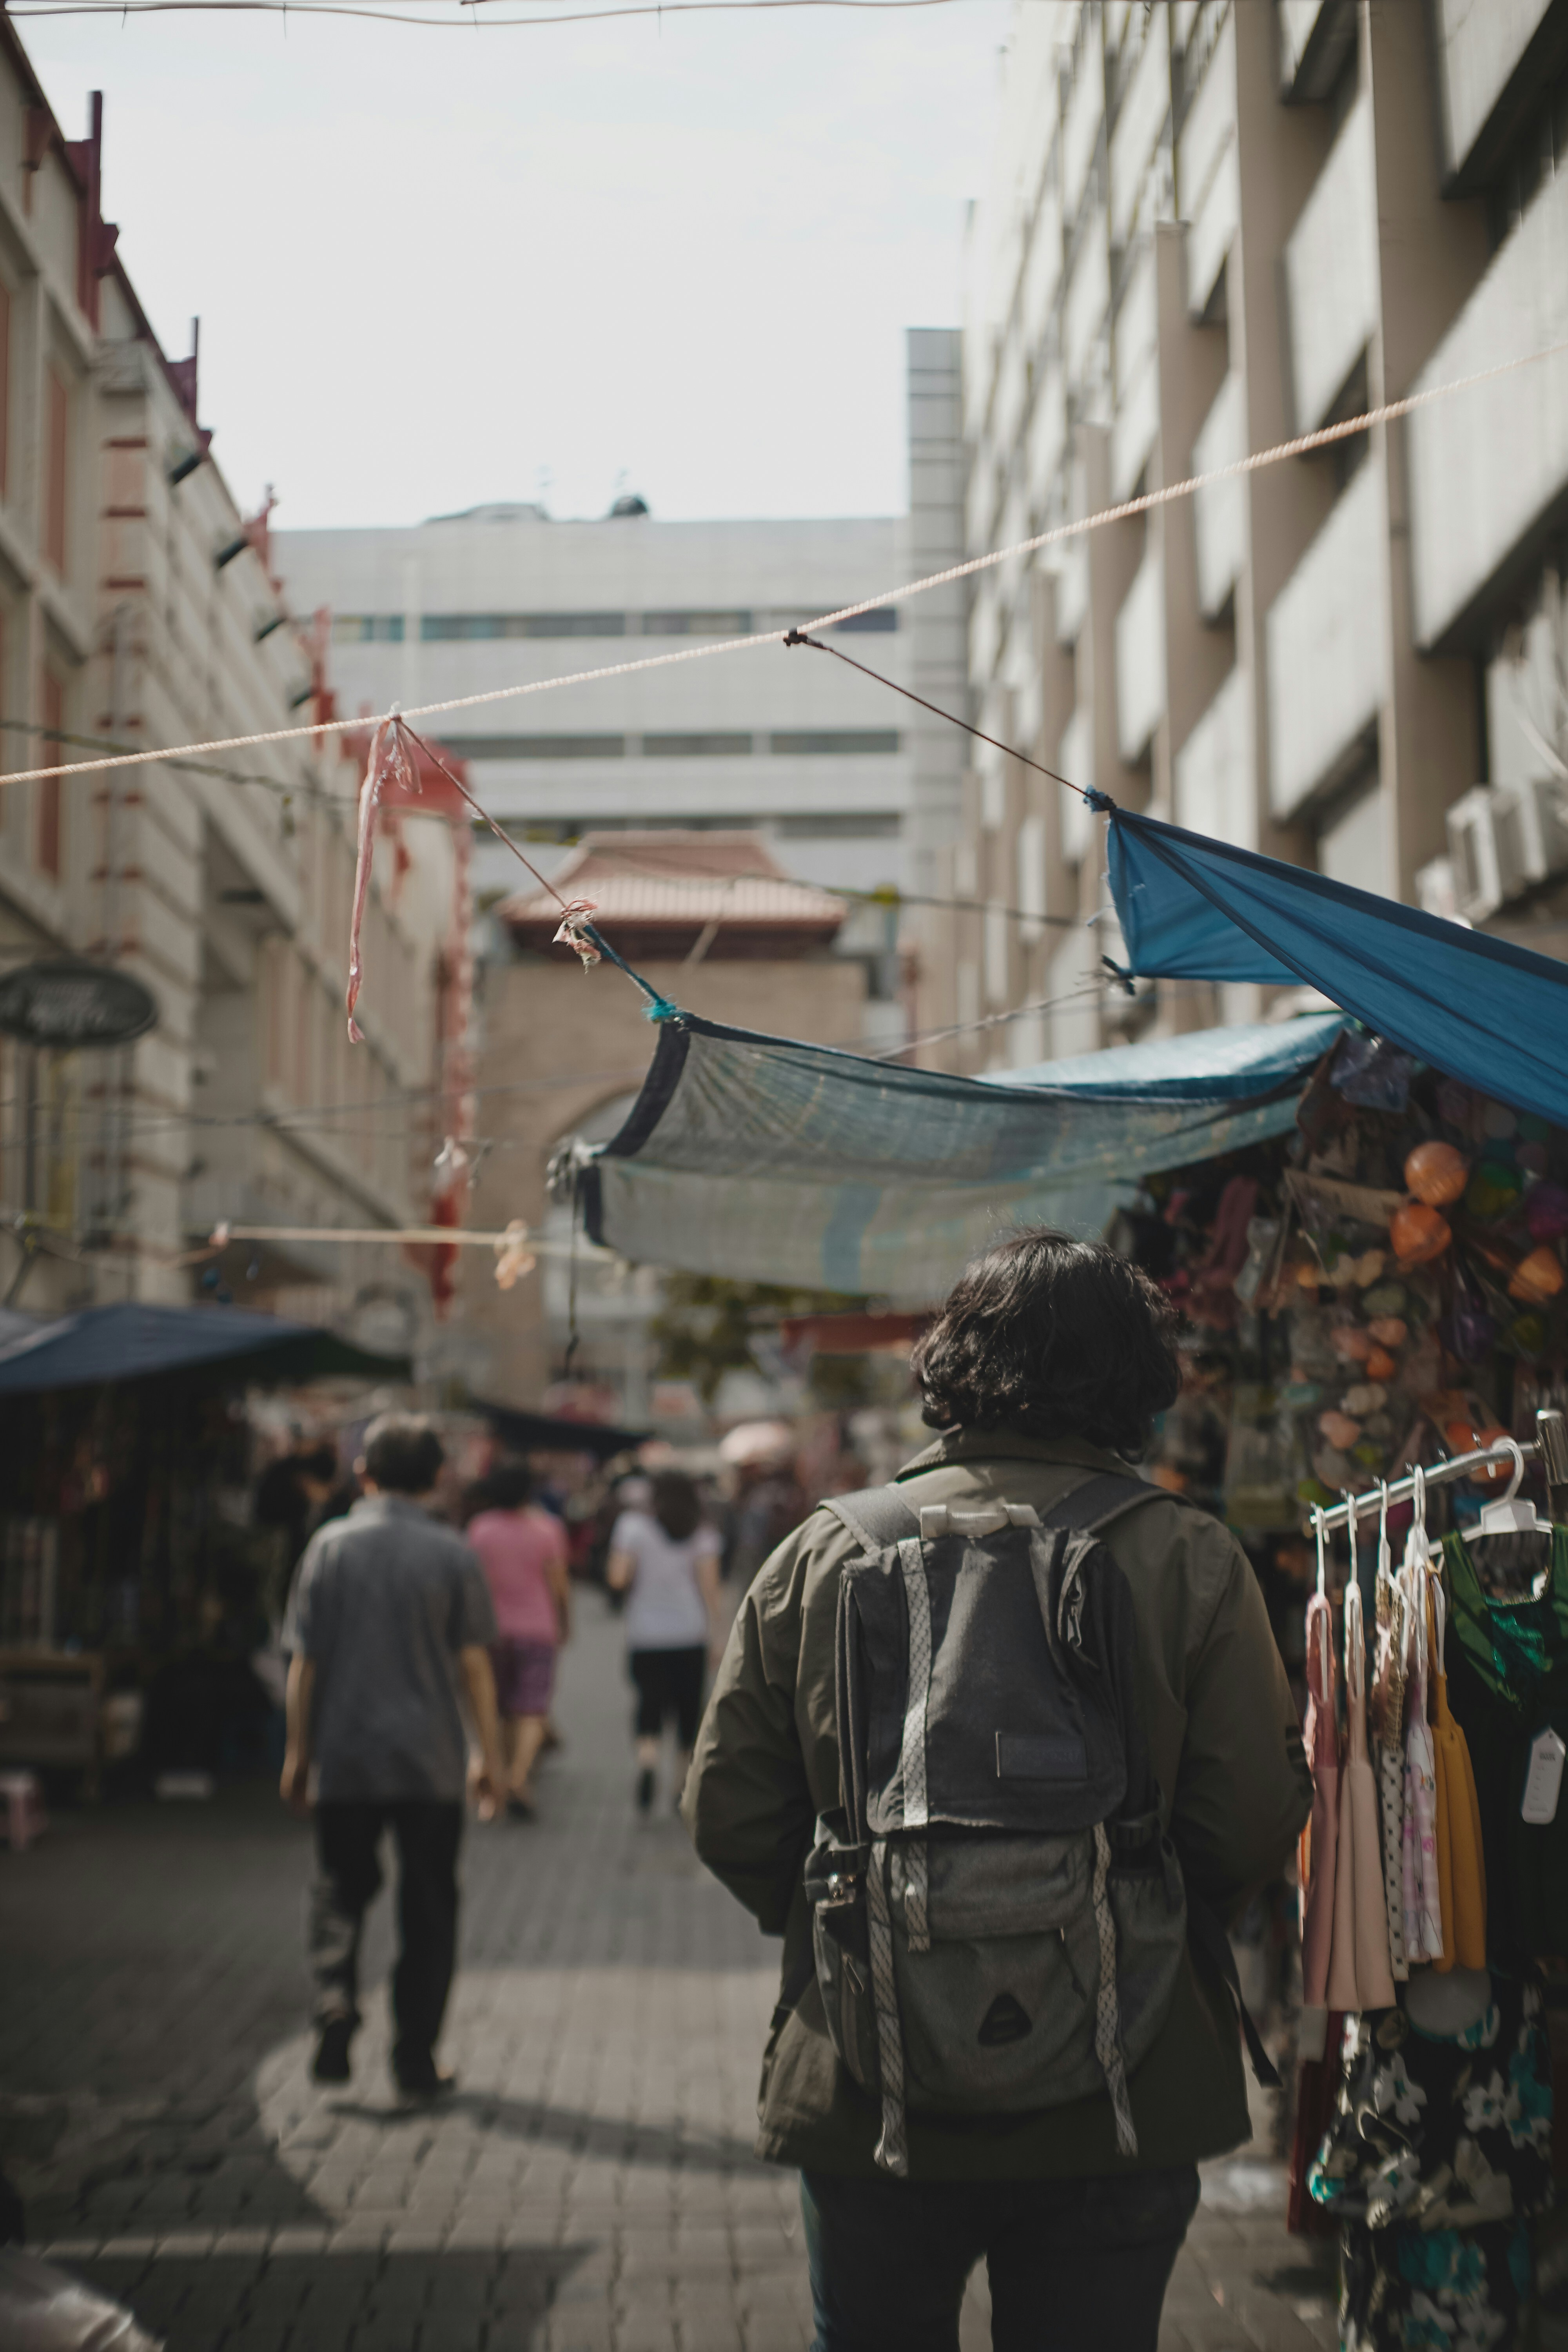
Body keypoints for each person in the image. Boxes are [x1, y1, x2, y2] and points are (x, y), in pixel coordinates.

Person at [682, 1230, 1312, 2352]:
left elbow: (729, 1809)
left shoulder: (821, 1553)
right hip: (1130, 2076)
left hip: (872, 2084)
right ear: (1137, 1376)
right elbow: (1252, 1816)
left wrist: (866, 1922)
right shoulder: (1191, 1557)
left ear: (948, 1361)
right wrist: (1129, 1917)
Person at [281, 1413, 506, 2098]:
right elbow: (474, 1667)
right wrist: (489, 1758)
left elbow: (305, 1664)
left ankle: (335, 2000)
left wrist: (298, 1752)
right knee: (430, 1908)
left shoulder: (329, 1547)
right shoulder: (452, 1553)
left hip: (346, 1757)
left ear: (363, 1473)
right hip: (430, 1763)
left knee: (338, 1890)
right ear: (438, 1477)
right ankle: (414, 2059)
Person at [606, 1468, 724, 1814]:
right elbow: (711, 1590)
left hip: (646, 1635)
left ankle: (647, 1761)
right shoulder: (702, 1532)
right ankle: (681, 1784)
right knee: (689, 1710)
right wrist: (718, 1634)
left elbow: (618, 1577)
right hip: (690, 1633)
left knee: (649, 1702)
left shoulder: (633, 1527)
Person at [464, 1460, 572, 1822]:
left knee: (496, 1706)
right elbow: (559, 1584)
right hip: (537, 1630)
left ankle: (493, 1773)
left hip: (490, 1631)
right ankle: (518, 1776)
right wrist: (565, 1624)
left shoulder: (480, 1530)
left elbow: (472, 1583)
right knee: (531, 1706)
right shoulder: (547, 1529)